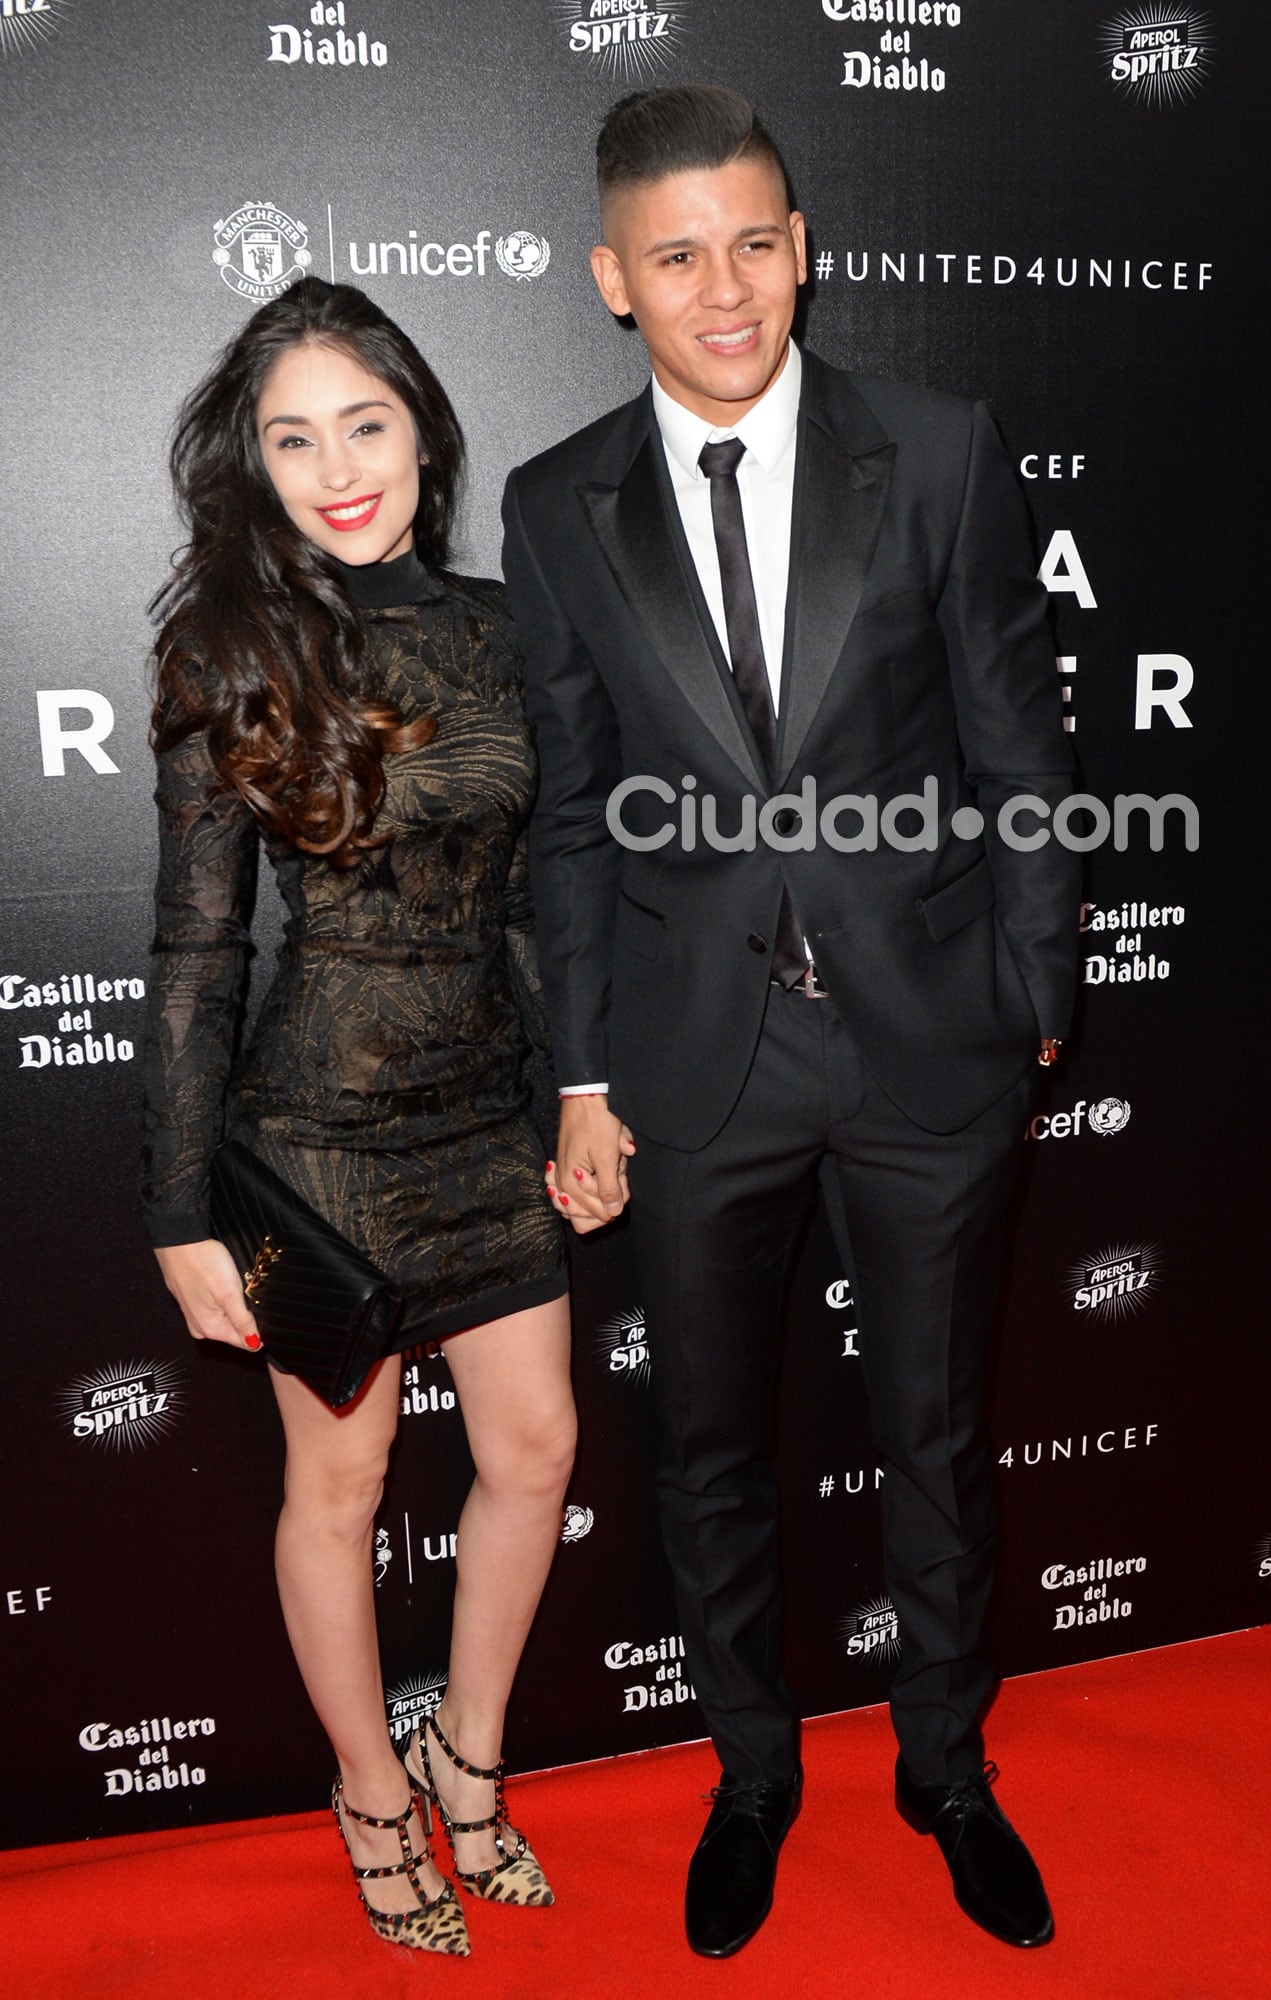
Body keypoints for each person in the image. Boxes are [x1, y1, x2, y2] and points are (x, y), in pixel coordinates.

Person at [501, 86, 1078, 1957]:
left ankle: (944, 1759)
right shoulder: (556, 501)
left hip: (927, 1045)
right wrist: (582, 1073)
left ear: (803, 245)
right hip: (688, 1067)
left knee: (934, 1425)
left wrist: (1036, 988)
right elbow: (575, 819)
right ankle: (752, 1769)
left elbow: (1015, 738)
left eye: (756, 240)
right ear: (613, 279)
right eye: (677, 254)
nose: (724, 288)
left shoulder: (937, 446)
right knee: (708, 1452)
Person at [140, 277, 577, 1957]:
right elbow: (195, 947)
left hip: (485, 1116)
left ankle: (467, 1764)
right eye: (294, 435)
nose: (338, 466)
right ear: (253, 465)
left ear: (423, 432)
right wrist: (179, 1206)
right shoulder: (227, 647)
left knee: (536, 1448)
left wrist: (575, 1100)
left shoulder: (503, 623)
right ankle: (369, 1796)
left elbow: (541, 902)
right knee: (344, 1484)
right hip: (314, 1137)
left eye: (366, 424)